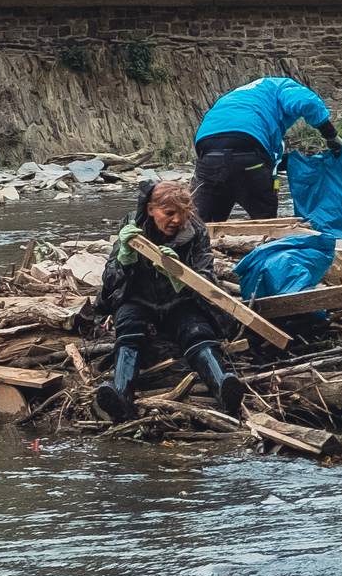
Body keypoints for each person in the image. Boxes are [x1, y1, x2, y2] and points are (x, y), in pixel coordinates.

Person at [91, 179, 237, 421]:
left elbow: (207, 276)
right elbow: (110, 281)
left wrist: (180, 275)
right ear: (151, 209)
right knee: (128, 330)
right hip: (138, 299)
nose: (177, 220)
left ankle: (222, 386)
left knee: (197, 332)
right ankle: (121, 395)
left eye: (183, 213)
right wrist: (125, 259)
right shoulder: (131, 227)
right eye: (169, 213)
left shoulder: (196, 231)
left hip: (180, 300)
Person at [192, 76, 342, 222]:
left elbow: (264, 161)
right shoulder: (280, 86)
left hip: (208, 154)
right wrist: (331, 135)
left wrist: (296, 161)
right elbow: (306, 102)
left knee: (203, 224)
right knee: (265, 222)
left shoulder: (239, 97)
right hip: (248, 148)